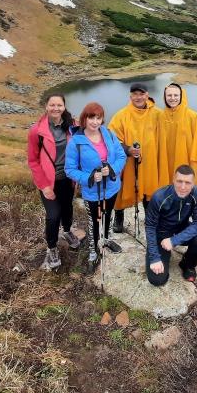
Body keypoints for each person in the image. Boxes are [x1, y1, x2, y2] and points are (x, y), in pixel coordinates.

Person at [65, 102, 127, 269]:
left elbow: (121, 156)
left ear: (102, 119)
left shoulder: (108, 134)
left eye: (98, 118)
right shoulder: (76, 142)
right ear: (84, 119)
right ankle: (93, 251)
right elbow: (69, 169)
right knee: (94, 221)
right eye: (91, 117)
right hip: (92, 191)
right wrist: (89, 177)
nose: (95, 122)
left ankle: (105, 240)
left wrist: (112, 168)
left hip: (111, 188)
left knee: (107, 216)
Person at [27, 93, 80, 271]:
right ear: (46, 106)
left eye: (59, 105)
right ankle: (52, 248)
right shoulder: (37, 130)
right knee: (52, 216)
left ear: (64, 107)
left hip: (68, 179)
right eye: (52, 105)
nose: (55, 108)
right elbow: (33, 161)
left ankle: (67, 231)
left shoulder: (71, 126)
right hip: (49, 181)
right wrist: (44, 186)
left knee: (68, 208)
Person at [107, 82, 162, 235]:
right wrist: (128, 150)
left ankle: (150, 219)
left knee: (149, 190)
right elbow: (112, 139)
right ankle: (118, 218)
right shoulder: (121, 115)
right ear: (130, 96)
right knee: (122, 188)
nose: (138, 97)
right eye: (135, 94)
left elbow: (168, 133)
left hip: (150, 162)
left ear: (147, 95)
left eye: (141, 94)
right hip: (127, 162)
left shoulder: (158, 114)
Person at [146, 165, 197, 285]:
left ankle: (188, 264)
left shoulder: (196, 194)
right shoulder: (159, 197)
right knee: (157, 279)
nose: (183, 187)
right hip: (161, 234)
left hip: (181, 229)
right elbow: (150, 226)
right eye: (179, 181)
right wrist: (154, 257)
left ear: (193, 183)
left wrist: (174, 241)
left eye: (187, 183)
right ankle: (164, 255)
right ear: (173, 180)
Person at [157, 83, 197, 199]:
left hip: (187, 161)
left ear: (181, 96)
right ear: (165, 97)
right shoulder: (161, 117)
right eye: (169, 95)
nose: (172, 98)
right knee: (170, 188)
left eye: (176, 95)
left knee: (188, 190)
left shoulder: (192, 116)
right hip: (167, 161)